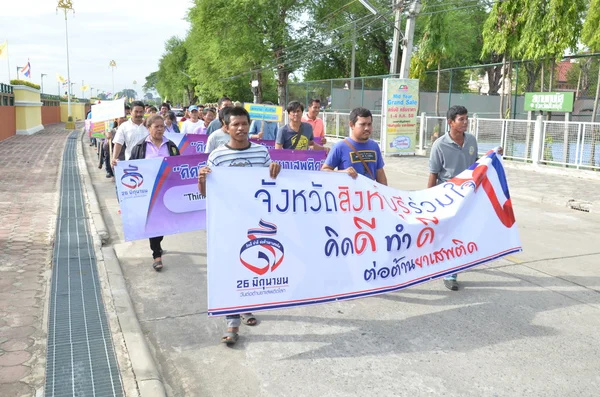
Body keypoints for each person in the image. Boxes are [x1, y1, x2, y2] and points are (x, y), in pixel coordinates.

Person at [197, 106, 281, 346]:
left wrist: (276, 172)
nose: (241, 128)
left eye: (244, 123)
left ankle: (246, 307)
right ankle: (232, 322)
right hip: (228, 223)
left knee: (251, 266)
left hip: (256, 223)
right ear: (226, 127)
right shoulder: (217, 156)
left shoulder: (261, 152)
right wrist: (202, 179)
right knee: (231, 270)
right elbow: (206, 193)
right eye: (235, 124)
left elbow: (273, 184)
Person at [428, 105, 502, 291]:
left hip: (468, 196)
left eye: (466, 119)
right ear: (450, 122)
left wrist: (492, 156)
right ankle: (448, 273)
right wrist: (428, 201)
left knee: (463, 233)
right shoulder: (439, 145)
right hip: (447, 197)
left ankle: (450, 267)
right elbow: (433, 174)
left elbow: (477, 165)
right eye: (461, 119)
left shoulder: (471, 141)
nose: (465, 122)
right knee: (450, 233)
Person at [130, 115, 181, 271]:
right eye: (156, 126)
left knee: (163, 223)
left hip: (167, 191)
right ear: (148, 128)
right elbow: (131, 168)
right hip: (149, 192)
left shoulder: (171, 146)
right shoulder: (140, 147)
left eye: (162, 127)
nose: (160, 129)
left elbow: (178, 166)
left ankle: (157, 243)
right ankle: (156, 254)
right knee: (154, 222)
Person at [322, 107, 387, 185]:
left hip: (369, 195)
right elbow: (324, 171)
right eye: (362, 124)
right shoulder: (340, 146)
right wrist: (342, 173)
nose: (367, 128)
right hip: (348, 195)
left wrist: (386, 194)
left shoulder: (374, 146)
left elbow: (380, 174)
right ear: (352, 125)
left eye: (369, 124)